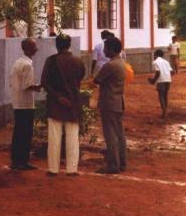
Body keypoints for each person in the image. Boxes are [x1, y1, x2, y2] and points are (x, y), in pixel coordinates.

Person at [41, 34, 85, 176]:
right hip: (73, 102)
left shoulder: (51, 61)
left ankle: (53, 169)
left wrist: (58, 96)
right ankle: (72, 169)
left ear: (56, 45)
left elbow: (44, 82)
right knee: (73, 137)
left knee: (54, 137)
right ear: (69, 44)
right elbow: (79, 79)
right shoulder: (78, 61)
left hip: (55, 102)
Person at [93, 36, 127, 174]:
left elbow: (97, 80)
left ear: (112, 49)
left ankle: (113, 165)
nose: (104, 50)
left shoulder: (110, 65)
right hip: (118, 101)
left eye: (106, 48)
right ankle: (122, 162)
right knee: (119, 133)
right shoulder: (121, 62)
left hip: (109, 102)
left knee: (110, 134)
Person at [9, 38, 41, 170]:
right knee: (25, 133)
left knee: (18, 132)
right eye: (34, 47)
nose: (36, 49)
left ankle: (16, 160)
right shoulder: (27, 65)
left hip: (17, 102)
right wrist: (39, 86)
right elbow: (27, 86)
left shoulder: (18, 62)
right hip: (25, 103)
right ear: (28, 49)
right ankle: (22, 161)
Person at [149, 48, 172, 118]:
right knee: (165, 95)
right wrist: (167, 76)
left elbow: (158, 72)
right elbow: (172, 72)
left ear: (156, 55)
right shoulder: (166, 62)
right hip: (168, 80)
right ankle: (165, 110)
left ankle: (164, 111)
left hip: (161, 80)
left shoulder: (155, 62)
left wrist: (153, 80)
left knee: (161, 96)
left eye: (154, 54)